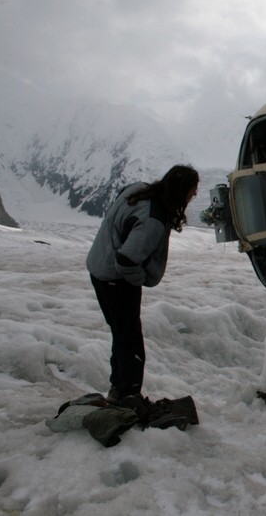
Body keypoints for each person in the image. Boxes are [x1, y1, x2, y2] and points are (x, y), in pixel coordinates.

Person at [87, 165, 199, 405]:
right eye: (192, 191)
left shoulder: (139, 189)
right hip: (116, 280)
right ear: (181, 191)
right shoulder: (153, 220)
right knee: (130, 341)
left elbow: (121, 206)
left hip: (98, 270)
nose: (195, 195)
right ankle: (128, 395)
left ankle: (118, 389)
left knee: (121, 334)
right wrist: (139, 281)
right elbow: (126, 259)